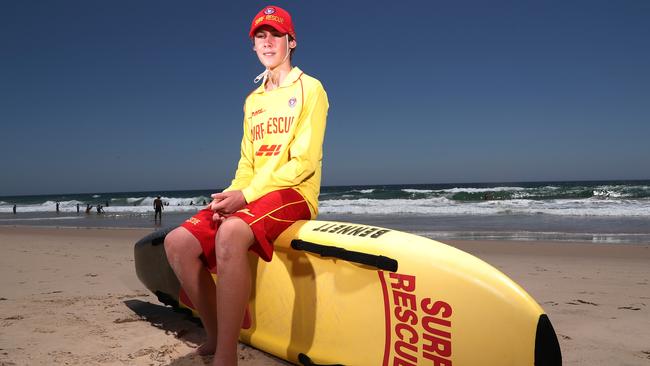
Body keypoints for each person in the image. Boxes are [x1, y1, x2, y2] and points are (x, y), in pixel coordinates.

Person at [163, 5, 328, 365]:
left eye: (275, 34)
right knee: (177, 243)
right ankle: (214, 334)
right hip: (252, 193)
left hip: (294, 193)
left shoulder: (310, 88)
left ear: (291, 41)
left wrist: (247, 196)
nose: (267, 42)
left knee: (231, 234)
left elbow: (303, 163)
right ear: (253, 46)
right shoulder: (252, 100)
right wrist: (231, 195)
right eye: (260, 36)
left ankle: (227, 356)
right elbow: (247, 162)